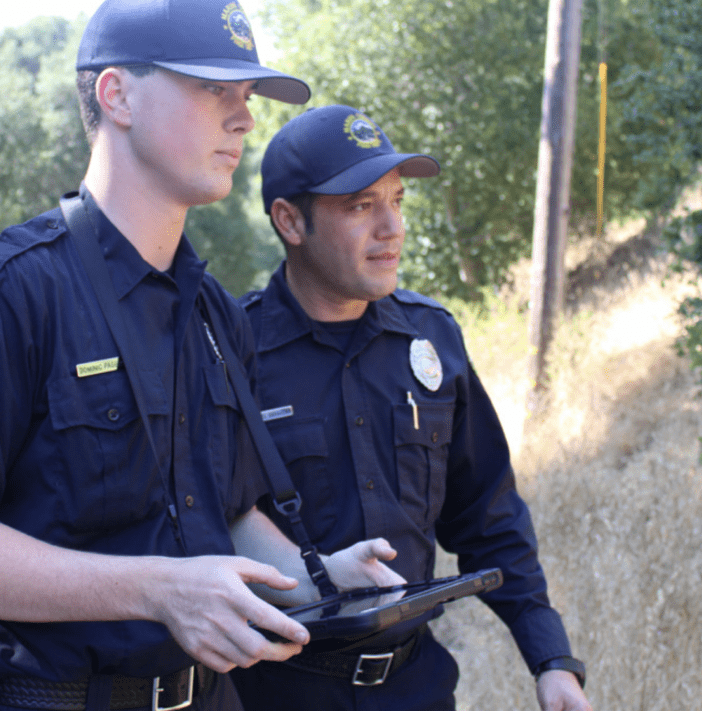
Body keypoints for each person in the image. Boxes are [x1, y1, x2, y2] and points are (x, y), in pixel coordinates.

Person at [0, 0, 401, 711]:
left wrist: (316, 578)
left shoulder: (215, 314)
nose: (244, 115)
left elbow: (220, 515)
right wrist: (154, 589)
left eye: (248, 93)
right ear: (117, 96)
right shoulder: (4, 295)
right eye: (210, 88)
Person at [232, 105, 593, 711]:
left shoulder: (433, 340)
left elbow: (488, 514)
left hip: (416, 688)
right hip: (273, 691)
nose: (392, 227)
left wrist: (550, 659)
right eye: (360, 205)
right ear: (290, 221)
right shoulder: (232, 355)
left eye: (397, 200)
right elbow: (208, 526)